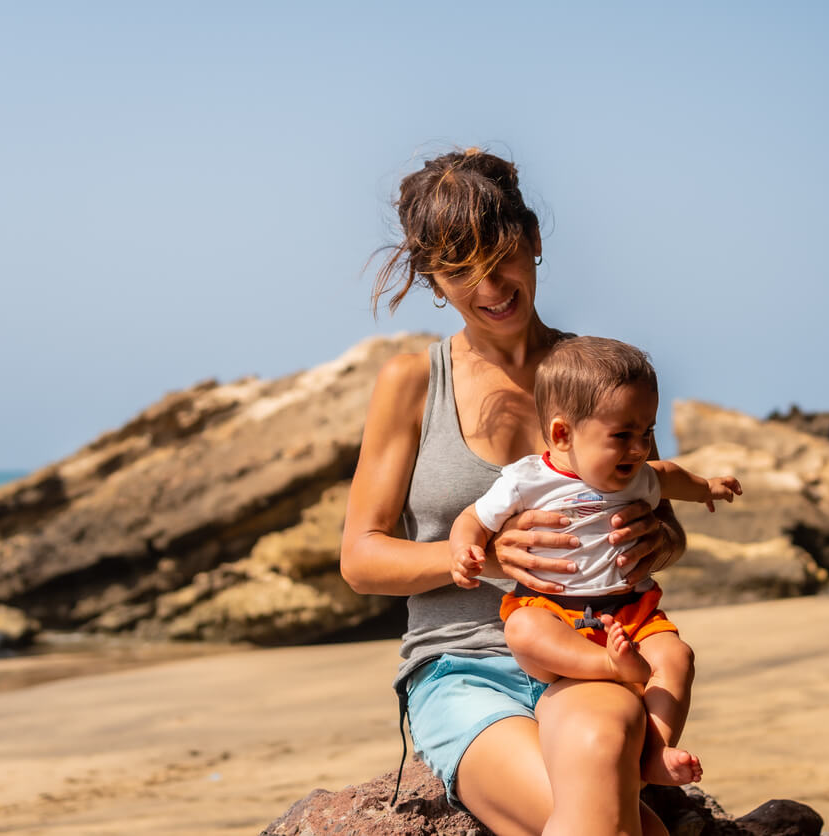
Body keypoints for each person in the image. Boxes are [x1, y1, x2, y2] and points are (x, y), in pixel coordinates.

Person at [341, 147, 690, 836]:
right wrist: (489, 559)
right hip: (462, 669)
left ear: (532, 240)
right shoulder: (412, 382)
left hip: (593, 652)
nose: (488, 287)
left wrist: (663, 539)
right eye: (457, 271)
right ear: (431, 278)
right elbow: (361, 558)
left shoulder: (596, 374)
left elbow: (658, 516)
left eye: (498, 257)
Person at [448, 336, 741, 788]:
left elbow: (671, 477)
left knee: (676, 655)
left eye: (646, 432)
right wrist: (465, 547)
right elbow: (474, 517)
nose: (639, 448)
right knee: (522, 630)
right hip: (552, 612)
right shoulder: (527, 480)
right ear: (563, 434)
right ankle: (610, 667)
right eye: (622, 435)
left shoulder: (639, 476)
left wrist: (708, 488)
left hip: (628, 610)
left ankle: (657, 751)